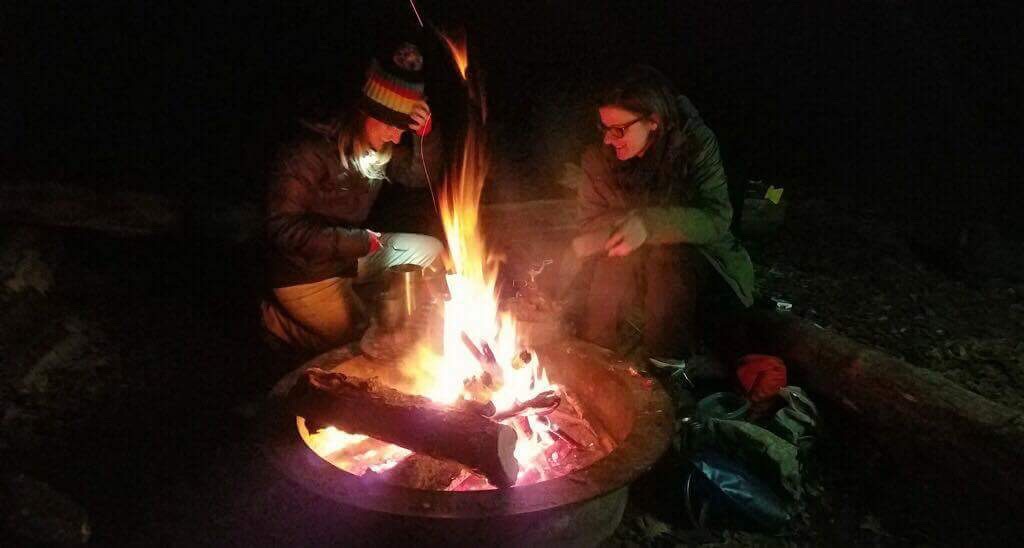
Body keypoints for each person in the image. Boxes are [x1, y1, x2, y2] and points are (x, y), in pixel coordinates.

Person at [261, 42, 445, 355]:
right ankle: (283, 323)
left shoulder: (379, 147)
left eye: (403, 129)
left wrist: (425, 137)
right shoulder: (310, 150)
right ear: (365, 112)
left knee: (431, 250)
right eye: (391, 125)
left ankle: (424, 329)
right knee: (369, 347)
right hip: (305, 276)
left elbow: (420, 176)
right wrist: (359, 242)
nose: (396, 137)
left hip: (351, 254)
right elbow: (282, 228)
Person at [572, 65, 755, 360]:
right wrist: (617, 233)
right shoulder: (599, 159)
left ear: (653, 121)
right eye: (603, 128)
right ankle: (595, 357)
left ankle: (667, 365)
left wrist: (649, 226)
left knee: (668, 259)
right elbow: (589, 222)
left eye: (618, 129)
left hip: (702, 264)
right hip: (635, 269)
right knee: (614, 256)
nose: (608, 139)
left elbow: (716, 217)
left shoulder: (694, 144)